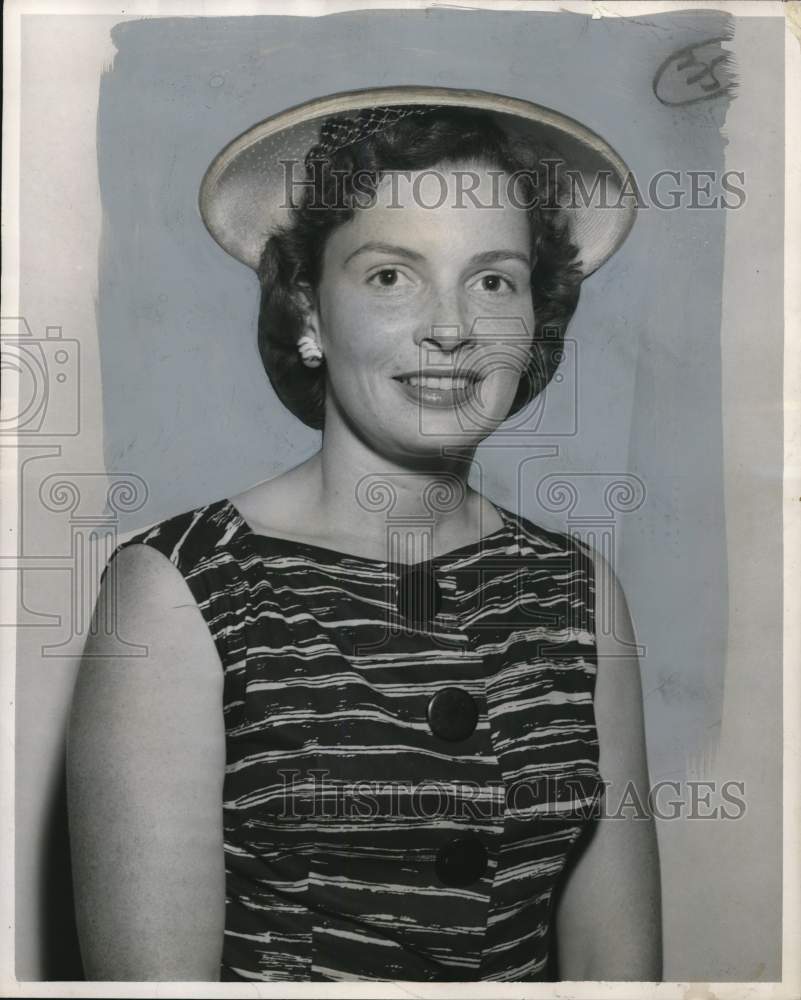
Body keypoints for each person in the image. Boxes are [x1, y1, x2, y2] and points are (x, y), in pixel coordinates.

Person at [67, 88, 662, 982]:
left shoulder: (575, 590)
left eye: (493, 279)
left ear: (534, 318)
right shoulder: (177, 589)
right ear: (308, 313)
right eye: (391, 275)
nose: (452, 328)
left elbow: (621, 969)